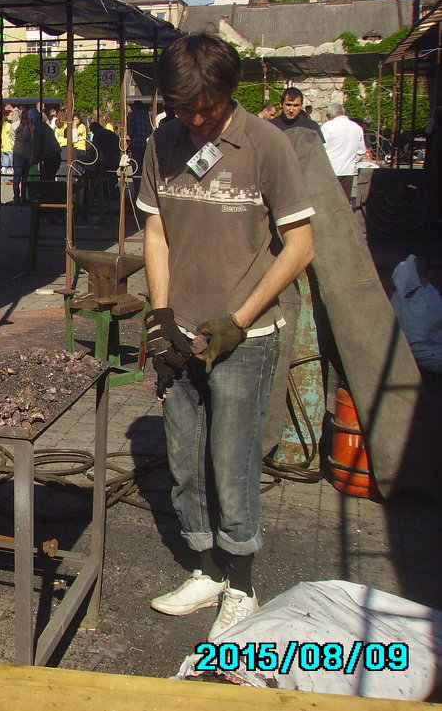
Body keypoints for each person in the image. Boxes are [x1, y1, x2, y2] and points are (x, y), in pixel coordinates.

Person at [137, 34, 315, 642]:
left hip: (248, 334)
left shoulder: (266, 145)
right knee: (185, 459)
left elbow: (300, 246)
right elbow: (156, 232)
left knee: (231, 461)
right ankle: (206, 570)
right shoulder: (162, 141)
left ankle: (243, 584)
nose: (195, 119)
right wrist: (162, 316)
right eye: (184, 107)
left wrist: (239, 320)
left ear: (229, 96)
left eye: (206, 108)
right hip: (183, 332)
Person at [321, 103, 367, 202]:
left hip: (329, 170)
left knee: (328, 203)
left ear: (330, 115)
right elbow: (361, 151)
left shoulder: (328, 126)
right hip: (347, 171)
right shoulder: (357, 128)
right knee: (344, 203)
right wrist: (352, 161)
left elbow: (320, 148)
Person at [11, 110, 34, 203]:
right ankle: (16, 196)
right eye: (22, 117)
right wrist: (24, 126)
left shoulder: (31, 127)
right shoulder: (16, 126)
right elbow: (23, 137)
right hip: (19, 154)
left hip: (27, 155)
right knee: (17, 177)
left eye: (26, 118)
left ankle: (23, 196)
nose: (24, 119)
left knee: (25, 178)